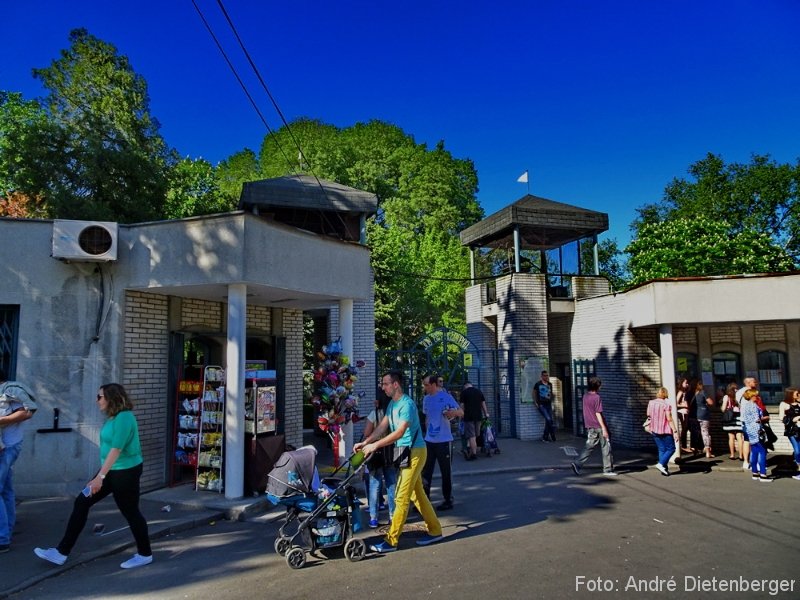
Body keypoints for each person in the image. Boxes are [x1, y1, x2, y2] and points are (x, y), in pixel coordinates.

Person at [34, 383, 153, 568]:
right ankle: (61, 552)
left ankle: (145, 554)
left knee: (130, 512)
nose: (97, 400)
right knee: (82, 502)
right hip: (110, 471)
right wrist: (101, 474)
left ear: (111, 398)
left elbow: (116, 449)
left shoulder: (124, 417)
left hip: (125, 472)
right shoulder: (112, 417)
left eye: (100, 397)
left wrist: (100, 477)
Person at [354, 370, 443, 553]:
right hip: (403, 452)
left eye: (385, 384)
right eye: (382, 384)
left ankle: (391, 541)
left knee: (401, 496)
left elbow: (399, 432)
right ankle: (435, 530)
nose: (383, 387)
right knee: (416, 495)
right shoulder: (392, 405)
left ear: (395, 385)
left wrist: (375, 445)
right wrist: (366, 442)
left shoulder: (407, 405)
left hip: (415, 452)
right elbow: (382, 427)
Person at [0, 368, 37, 554]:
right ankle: (7, 531)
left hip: (6, 447)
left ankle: (2, 539)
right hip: (7, 446)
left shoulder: (9, 389)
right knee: (5, 490)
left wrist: (0, 420)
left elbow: (26, 412)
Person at [421, 373, 462, 511]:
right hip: (429, 441)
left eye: (427, 385)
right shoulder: (426, 399)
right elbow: (427, 417)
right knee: (426, 472)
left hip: (444, 440)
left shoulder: (445, 397)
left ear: (434, 385)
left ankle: (448, 499)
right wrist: (426, 435)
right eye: (423, 385)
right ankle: (425, 500)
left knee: (446, 472)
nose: (425, 387)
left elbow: (460, 412)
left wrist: (452, 413)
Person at [361, 389, 396, 528]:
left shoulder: (373, 414)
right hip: (390, 451)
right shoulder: (392, 414)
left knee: (374, 484)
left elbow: (367, 433)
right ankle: (393, 516)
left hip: (374, 452)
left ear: (378, 401)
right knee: (391, 484)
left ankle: (373, 518)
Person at [571, 377, 617, 477]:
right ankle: (608, 469)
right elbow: (598, 413)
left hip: (590, 425)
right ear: (597, 386)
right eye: (600, 385)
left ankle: (577, 463)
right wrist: (604, 428)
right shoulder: (597, 397)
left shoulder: (585, 396)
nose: (601, 387)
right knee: (606, 446)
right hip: (598, 425)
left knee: (589, 446)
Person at [740, 388, 772, 483]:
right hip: (757, 430)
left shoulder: (745, 406)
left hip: (749, 430)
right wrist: (765, 418)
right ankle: (763, 474)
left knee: (754, 451)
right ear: (752, 396)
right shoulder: (753, 406)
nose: (757, 397)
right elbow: (757, 419)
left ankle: (755, 472)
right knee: (762, 452)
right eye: (756, 395)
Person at [646, 387, 677, 476]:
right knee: (671, 448)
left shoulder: (651, 403)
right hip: (665, 430)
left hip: (654, 429)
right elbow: (669, 419)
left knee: (662, 449)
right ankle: (660, 464)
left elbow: (648, 414)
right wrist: (674, 431)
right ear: (665, 394)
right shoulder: (666, 405)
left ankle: (664, 469)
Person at [459, 381, 488, 461]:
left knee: (472, 436)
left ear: (465, 386)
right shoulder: (479, 391)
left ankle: (473, 454)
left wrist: (461, 415)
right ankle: (472, 451)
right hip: (478, 417)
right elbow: (483, 404)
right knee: (476, 435)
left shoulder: (464, 393)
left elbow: (462, 405)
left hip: (468, 417)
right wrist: (486, 413)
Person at [736, 377, 758, 471]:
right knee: (755, 441)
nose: (756, 383)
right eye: (754, 381)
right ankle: (755, 462)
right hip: (752, 419)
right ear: (748, 383)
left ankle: (746, 461)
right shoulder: (750, 393)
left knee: (746, 440)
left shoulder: (738, 392)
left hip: (744, 419)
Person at [781, 388, 800, 480]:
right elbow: (781, 418)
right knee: (797, 450)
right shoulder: (784, 404)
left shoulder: (799, 403)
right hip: (792, 430)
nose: (798, 395)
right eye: (796, 394)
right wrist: (792, 419)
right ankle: (798, 466)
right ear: (790, 394)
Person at [720, 383, 743, 461]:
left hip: (730, 418)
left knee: (731, 437)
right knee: (739, 437)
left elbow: (723, 409)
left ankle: (732, 454)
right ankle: (741, 455)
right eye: (736, 388)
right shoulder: (739, 397)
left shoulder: (726, 397)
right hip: (738, 417)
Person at [533, 370, 556, 442]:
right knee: (549, 419)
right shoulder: (538, 384)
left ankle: (545, 437)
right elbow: (534, 393)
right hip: (541, 405)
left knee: (549, 420)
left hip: (548, 404)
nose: (546, 377)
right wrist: (535, 402)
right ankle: (552, 434)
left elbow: (550, 393)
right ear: (542, 376)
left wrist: (552, 401)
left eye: (547, 375)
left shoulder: (550, 384)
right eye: (544, 375)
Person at [694, 381, 715, 458]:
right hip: (704, 414)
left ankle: (698, 449)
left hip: (696, 415)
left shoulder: (694, 394)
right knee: (705, 433)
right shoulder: (703, 392)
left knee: (698, 433)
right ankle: (708, 452)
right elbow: (711, 402)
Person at [676, 378, 695, 454]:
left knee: (689, 428)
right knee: (685, 428)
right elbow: (676, 403)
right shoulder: (680, 392)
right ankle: (683, 446)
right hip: (682, 412)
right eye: (685, 383)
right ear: (681, 383)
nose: (687, 384)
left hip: (686, 412)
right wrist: (683, 405)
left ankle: (690, 446)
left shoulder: (685, 392)